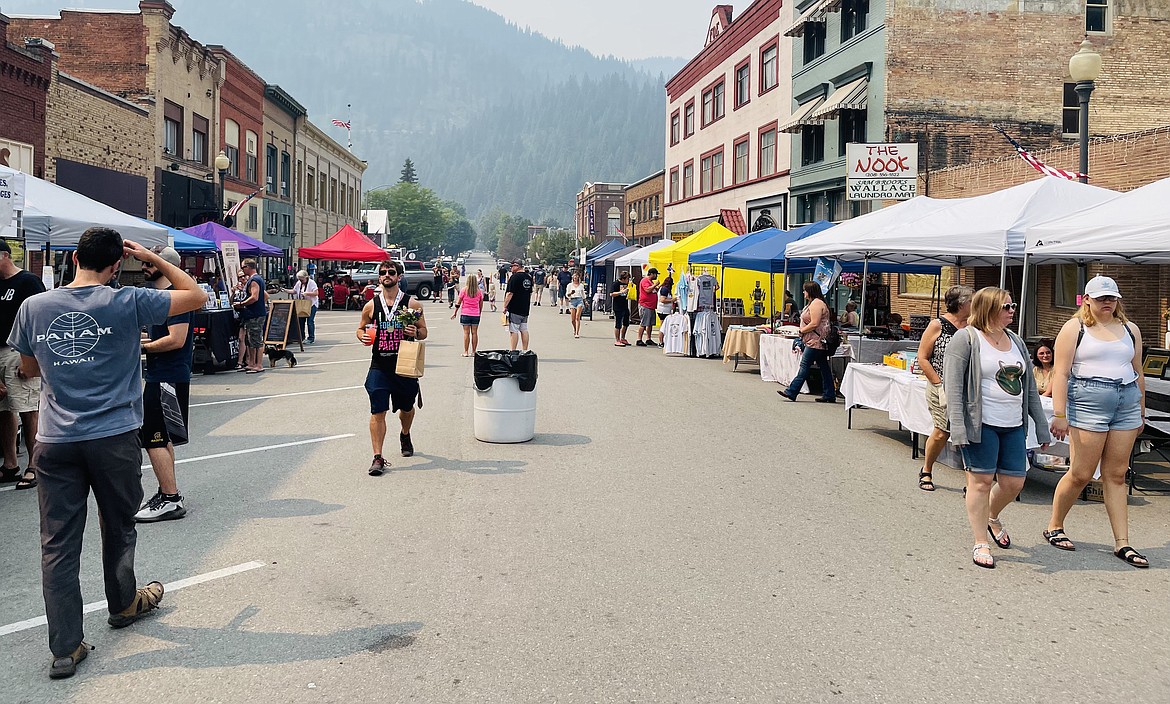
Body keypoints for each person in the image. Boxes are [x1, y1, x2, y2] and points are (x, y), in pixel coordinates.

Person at [8, 228, 207, 678]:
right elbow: (194, 295)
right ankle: (122, 603)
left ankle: (65, 648)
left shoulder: (34, 307)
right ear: (118, 264)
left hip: (55, 440)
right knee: (117, 526)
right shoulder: (129, 300)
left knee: (57, 544)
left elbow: (27, 368)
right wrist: (144, 255)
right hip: (113, 436)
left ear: (75, 256)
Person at [1045, 276, 1148, 568]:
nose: (1107, 302)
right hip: (1088, 399)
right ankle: (1055, 524)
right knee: (1081, 473)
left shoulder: (1130, 329)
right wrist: (1060, 414)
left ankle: (1122, 542)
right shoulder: (1075, 328)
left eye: (1112, 297)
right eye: (1101, 297)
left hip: (1125, 400)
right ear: (1087, 299)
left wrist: (1141, 410)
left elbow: (1137, 370)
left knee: (1116, 474)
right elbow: (1061, 373)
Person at [943, 287, 1050, 569]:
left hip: (1013, 423)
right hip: (981, 424)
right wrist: (958, 428)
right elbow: (953, 388)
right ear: (988, 308)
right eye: (1006, 306)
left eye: (1012, 306)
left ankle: (991, 516)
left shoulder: (1015, 340)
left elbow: (1028, 389)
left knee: (1014, 482)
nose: (1012, 310)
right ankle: (980, 540)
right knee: (980, 482)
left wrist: (1041, 426)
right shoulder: (965, 339)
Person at [135, 246, 195, 523]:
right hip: (165, 374)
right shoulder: (164, 296)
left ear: (164, 264)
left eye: (148, 264)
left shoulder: (176, 297)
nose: (144, 268)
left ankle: (170, 499)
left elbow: (176, 339)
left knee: (154, 437)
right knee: (162, 436)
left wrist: (141, 349)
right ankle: (168, 492)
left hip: (167, 375)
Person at [356, 261, 427, 475]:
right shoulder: (371, 305)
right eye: (383, 272)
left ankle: (405, 433)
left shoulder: (411, 304)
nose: (387, 275)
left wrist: (415, 331)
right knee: (378, 410)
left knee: (407, 407)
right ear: (379, 277)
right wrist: (363, 337)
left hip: (404, 364)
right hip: (380, 365)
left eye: (391, 272)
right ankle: (377, 457)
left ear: (399, 276)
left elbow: (424, 332)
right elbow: (360, 329)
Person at [913, 285, 974, 492]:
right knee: (942, 431)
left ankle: (971, 482)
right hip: (941, 384)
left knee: (969, 433)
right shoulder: (938, 325)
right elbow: (922, 357)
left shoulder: (973, 325)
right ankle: (927, 469)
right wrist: (939, 384)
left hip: (967, 388)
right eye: (972, 301)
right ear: (962, 304)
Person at [0, 239, 46, 491]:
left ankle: (35, 464)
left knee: (27, 408)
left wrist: (29, 355)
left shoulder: (27, 282)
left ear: (4, 256)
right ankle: (10, 464)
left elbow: (40, 319)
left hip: (19, 351)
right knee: (4, 410)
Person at [777, 281, 836, 403]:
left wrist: (801, 330)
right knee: (824, 368)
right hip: (817, 341)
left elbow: (814, 323)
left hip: (815, 341)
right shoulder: (815, 303)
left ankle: (792, 391)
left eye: (805, 290)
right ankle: (829, 394)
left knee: (804, 366)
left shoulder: (816, 304)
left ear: (810, 291)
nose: (803, 292)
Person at [232, 259, 266, 373]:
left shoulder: (255, 280)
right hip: (250, 314)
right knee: (249, 340)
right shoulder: (254, 279)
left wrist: (241, 304)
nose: (242, 270)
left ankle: (259, 364)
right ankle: (251, 363)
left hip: (255, 314)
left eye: (243, 267)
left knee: (256, 340)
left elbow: (255, 297)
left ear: (248, 267)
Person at [450, 273, 484, 356]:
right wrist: (479, 312)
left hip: (465, 313)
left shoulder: (464, 290)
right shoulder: (479, 292)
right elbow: (481, 304)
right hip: (475, 314)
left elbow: (458, 303)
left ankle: (466, 351)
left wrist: (455, 312)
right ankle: (474, 351)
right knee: (474, 333)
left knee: (466, 333)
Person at [503, 259, 534, 351]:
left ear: (517, 266)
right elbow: (530, 292)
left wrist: (505, 306)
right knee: (524, 329)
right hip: (525, 308)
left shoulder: (515, 277)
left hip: (515, 308)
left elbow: (510, 293)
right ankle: (525, 350)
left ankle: (513, 350)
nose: (511, 268)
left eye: (512, 266)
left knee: (514, 330)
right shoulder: (528, 277)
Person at [284, 269, 318, 344]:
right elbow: (294, 291)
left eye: (302, 280)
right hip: (301, 304)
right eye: (299, 279)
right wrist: (285, 290)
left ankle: (311, 338)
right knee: (300, 321)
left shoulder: (312, 283)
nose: (301, 281)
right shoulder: (299, 283)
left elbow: (316, 293)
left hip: (311, 304)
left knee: (310, 321)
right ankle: (301, 337)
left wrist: (307, 293)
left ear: (306, 277)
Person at [636, 268, 659, 347]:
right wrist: (655, 285)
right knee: (644, 322)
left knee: (650, 323)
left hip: (651, 305)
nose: (656, 276)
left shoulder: (650, 282)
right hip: (645, 305)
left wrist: (656, 287)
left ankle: (648, 339)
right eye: (655, 274)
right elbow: (647, 290)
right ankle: (639, 339)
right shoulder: (645, 281)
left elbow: (652, 290)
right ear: (652, 274)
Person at [610, 271, 632, 347]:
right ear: (623, 278)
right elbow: (611, 294)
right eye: (627, 278)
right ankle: (617, 340)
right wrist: (620, 292)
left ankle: (623, 338)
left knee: (626, 322)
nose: (628, 280)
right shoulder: (615, 284)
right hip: (618, 306)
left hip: (625, 305)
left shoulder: (626, 284)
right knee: (618, 323)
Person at [565, 270, 586, 338]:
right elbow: (567, 295)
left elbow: (583, 294)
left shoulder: (581, 285)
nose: (575, 277)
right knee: (572, 319)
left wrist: (585, 301)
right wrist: (571, 293)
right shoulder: (569, 285)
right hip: (572, 300)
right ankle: (574, 329)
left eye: (576, 276)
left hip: (579, 300)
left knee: (577, 317)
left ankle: (577, 332)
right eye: (574, 276)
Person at [656, 275, 675, 345]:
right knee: (663, 327)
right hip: (663, 310)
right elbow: (662, 300)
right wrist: (672, 300)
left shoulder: (663, 288)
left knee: (664, 326)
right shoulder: (664, 289)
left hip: (665, 310)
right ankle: (661, 342)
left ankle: (663, 341)